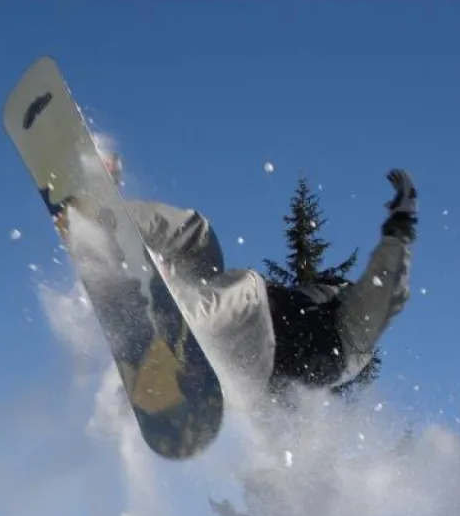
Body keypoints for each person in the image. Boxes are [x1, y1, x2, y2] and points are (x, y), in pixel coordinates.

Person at [99, 161, 417, 400]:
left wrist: (399, 229)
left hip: (249, 362)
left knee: (251, 289)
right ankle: (110, 216)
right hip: (227, 329)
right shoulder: (307, 306)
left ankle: (170, 328)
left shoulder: (351, 337)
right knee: (198, 235)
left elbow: (386, 287)